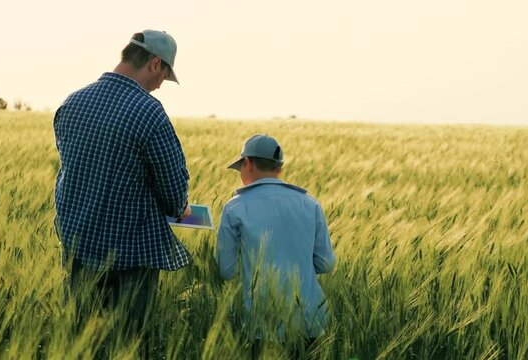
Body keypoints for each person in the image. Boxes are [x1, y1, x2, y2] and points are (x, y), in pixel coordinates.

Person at [53, 30, 191, 350]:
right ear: (156, 64)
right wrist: (179, 208)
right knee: (128, 343)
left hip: (78, 247)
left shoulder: (71, 103)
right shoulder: (148, 111)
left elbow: (74, 172)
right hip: (130, 255)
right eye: (165, 76)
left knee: (82, 343)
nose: (160, 86)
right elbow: (172, 190)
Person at [216, 134, 336, 358]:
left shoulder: (235, 208)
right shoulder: (310, 204)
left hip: (259, 322)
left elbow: (226, 270)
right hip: (309, 320)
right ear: (279, 168)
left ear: (248, 163)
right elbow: (326, 264)